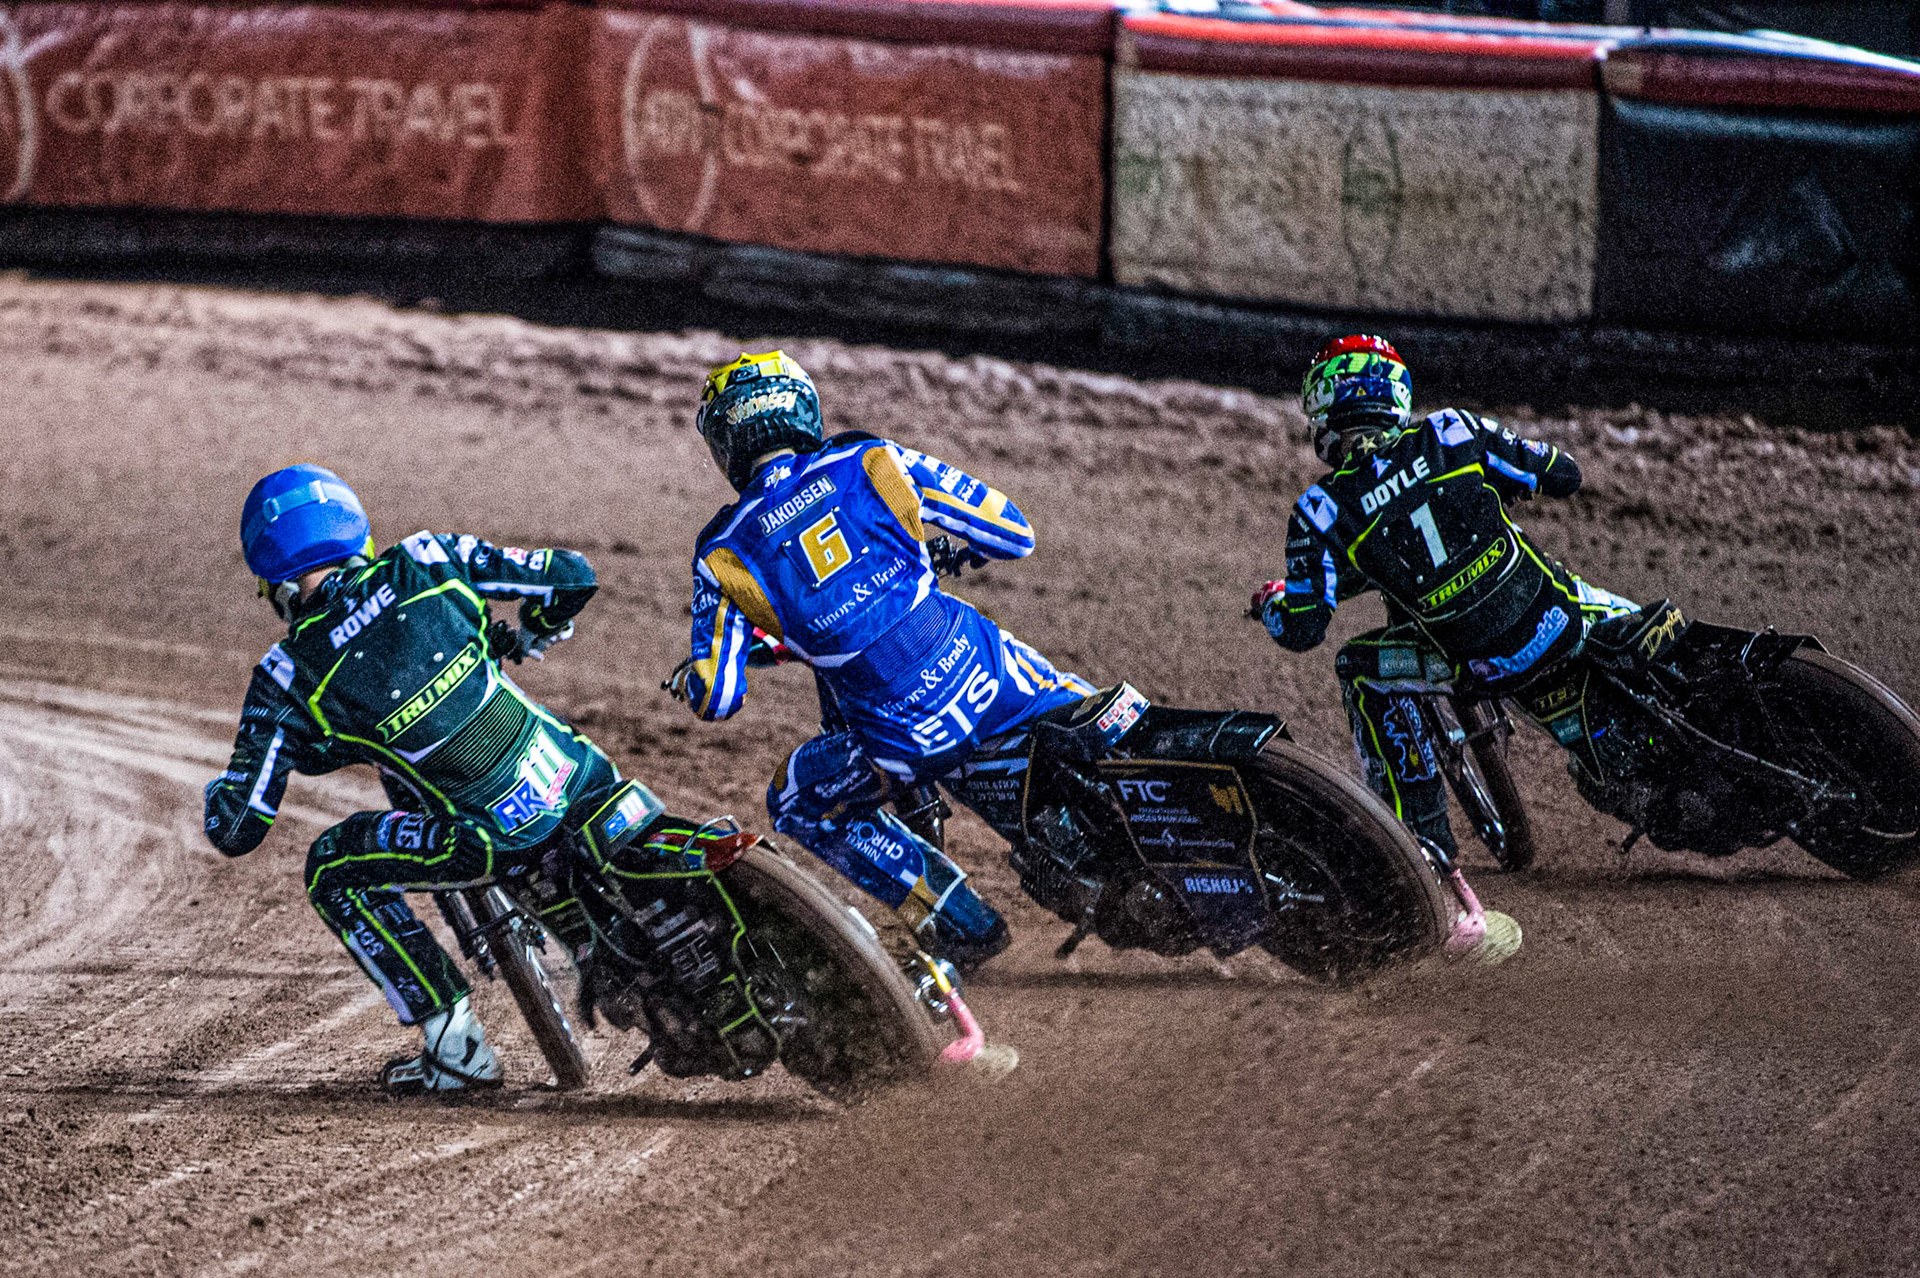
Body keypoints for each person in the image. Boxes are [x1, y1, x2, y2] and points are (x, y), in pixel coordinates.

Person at [673, 351, 1096, 969]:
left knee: (796, 799)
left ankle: (962, 923)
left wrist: (693, 680)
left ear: (725, 443)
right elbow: (1012, 534)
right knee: (1088, 712)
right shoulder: (872, 457)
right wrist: (933, 552)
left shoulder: (723, 551)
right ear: (802, 408)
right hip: (994, 672)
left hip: (905, 734)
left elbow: (718, 696)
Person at [203, 464, 604, 1093]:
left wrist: (216, 797)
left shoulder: (286, 675)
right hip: (578, 771)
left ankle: (455, 1047)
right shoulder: (425, 557)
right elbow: (573, 576)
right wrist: (533, 633)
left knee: (331, 869)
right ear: (358, 534)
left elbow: (238, 828)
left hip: (485, 836)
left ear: (274, 583)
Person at [1254, 334, 1637, 862]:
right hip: (1561, 617)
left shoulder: (1320, 511)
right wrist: (1502, 481)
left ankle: (1423, 844)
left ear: (1323, 408)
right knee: (1660, 631)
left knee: (1359, 669)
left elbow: (1302, 629)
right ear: (1397, 392)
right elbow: (1565, 476)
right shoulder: (1453, 430)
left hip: (1477, 665)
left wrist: (1272, 607)